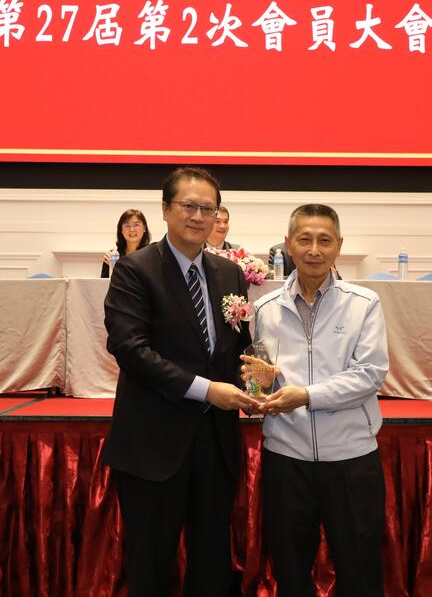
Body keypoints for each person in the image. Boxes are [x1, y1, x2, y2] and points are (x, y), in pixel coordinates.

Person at [103, 167, 257, 596]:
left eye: (208, 208)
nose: (198, 216)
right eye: (188, 205)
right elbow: (130, 350)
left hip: (216, 443)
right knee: (150, 566)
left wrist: (253, 378)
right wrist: (208, 390)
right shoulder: (135, 269)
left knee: (211, 566)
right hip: (153, 443)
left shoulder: (229, 273)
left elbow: (236, 348)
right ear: (166, 209)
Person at [247, 204, 388, 596]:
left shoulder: (363, 303)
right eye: (304, 239)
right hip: (285, 458)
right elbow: (261, 375)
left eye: (324, 240)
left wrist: (306, 396)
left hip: (351, 458)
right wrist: (256, 390)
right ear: (288, 244)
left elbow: (370, 374)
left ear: (338, 246)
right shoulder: (264, 308)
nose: (314, 250)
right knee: (290, 572)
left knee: (360, 571)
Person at [101, 209, 151, 278]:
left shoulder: (152, 255)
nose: (132, 229)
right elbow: (104, 283)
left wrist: (117, 267)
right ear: (121, 230)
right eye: (127, 225)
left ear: (144, 228)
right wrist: (112, 266)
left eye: (136, 225)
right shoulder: (112, 256)